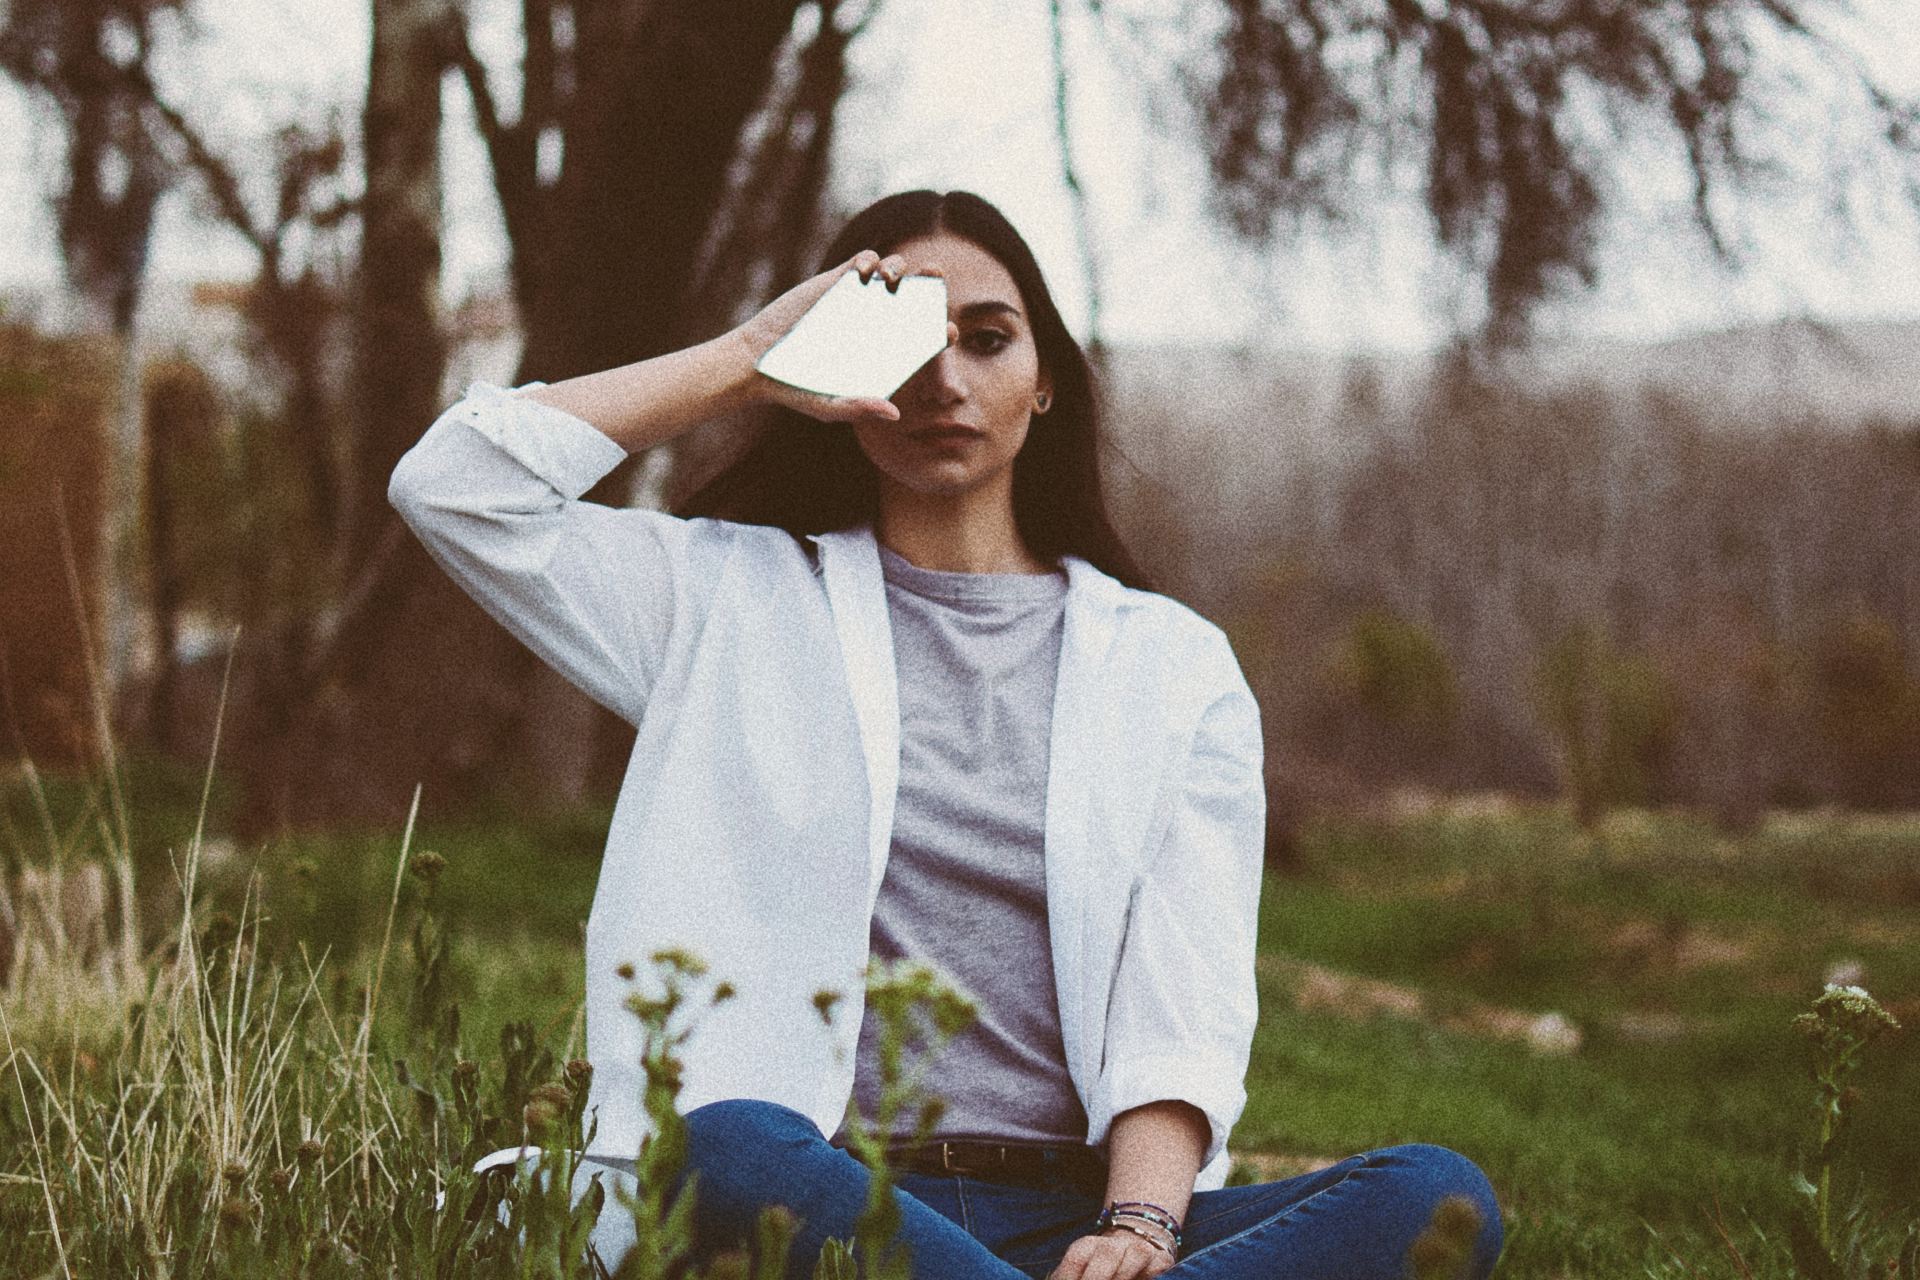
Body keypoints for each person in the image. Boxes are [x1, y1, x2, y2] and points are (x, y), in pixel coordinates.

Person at [388, 189, 1503, 1279]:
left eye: (986, 337)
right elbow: (456, 486)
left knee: (1434, 1195)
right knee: (724, 1143)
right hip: (818, 1199)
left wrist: (1142, 1229)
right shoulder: (724, 594)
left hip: (1073, 1217)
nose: (943, 377)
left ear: (1046, 380)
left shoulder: (1173, 668)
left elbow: (1183, 1007)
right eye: (906, 339)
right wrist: (752, 353)